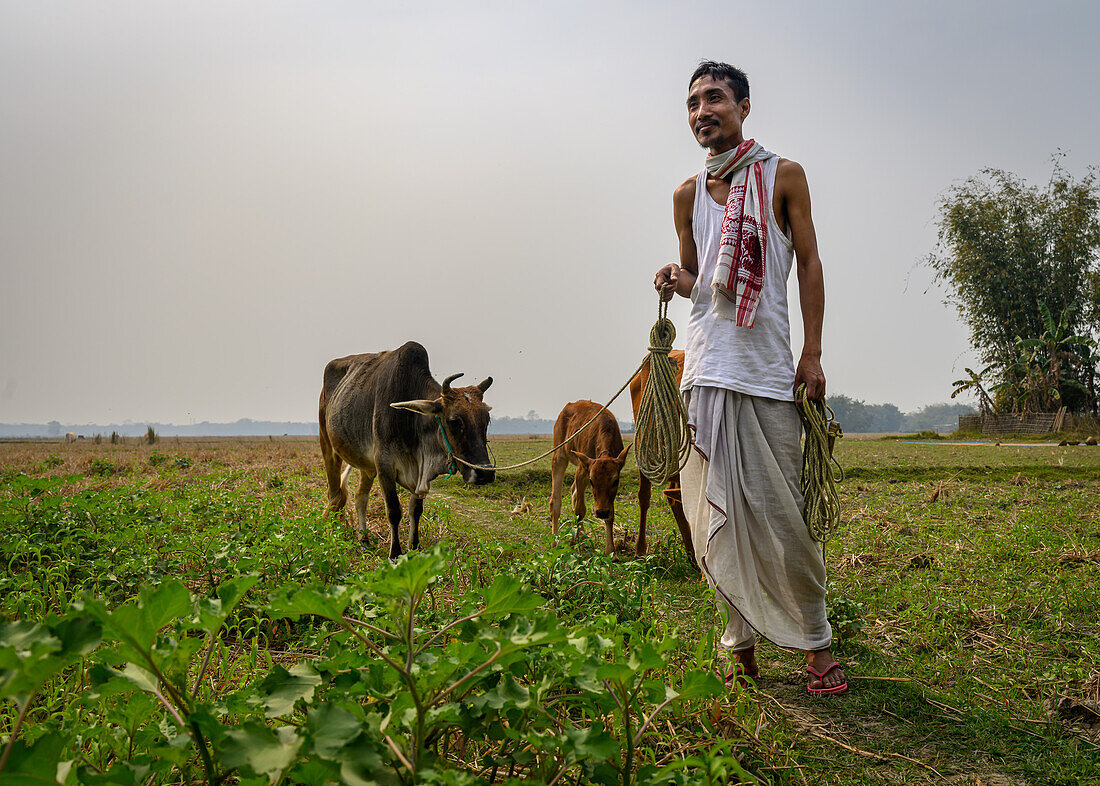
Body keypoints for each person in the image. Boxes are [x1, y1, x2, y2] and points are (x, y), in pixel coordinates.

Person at [653, 61, 846, 695]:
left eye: (714, 98)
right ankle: (737, 645)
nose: (701, 111)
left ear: (742, 107)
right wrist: (671, 280)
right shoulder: (685, 195)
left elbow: (811, 263)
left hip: (765, 372)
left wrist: (811, 354)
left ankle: (816, 646)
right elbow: (695, 281)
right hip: (705, 372)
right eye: (692, 103)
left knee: (781, 515)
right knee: (717, 518)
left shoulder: (781, 176)